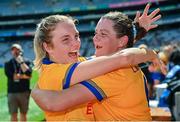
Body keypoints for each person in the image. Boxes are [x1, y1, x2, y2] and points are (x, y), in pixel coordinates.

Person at [31, 4, 165, 121]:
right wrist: (147, 49)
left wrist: (35, 92)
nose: (77, 43)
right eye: (66, 39)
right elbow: (121, 57)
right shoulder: (63, 71)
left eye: (76, 36)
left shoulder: (110, 71)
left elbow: (119, 57)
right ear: (47, 47)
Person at [4, 44, 32, 121]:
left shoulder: (27, 61)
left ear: (21, 51)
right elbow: (13, 76)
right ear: (11, 52)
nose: (15, 51)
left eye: (17, 49)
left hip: (24, 92)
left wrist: (21, 62)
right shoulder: (8, 63)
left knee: (23, 113)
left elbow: (29, 74)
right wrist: (24, 76)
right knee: (13, 114)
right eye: (13, 50)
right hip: (12, 92)